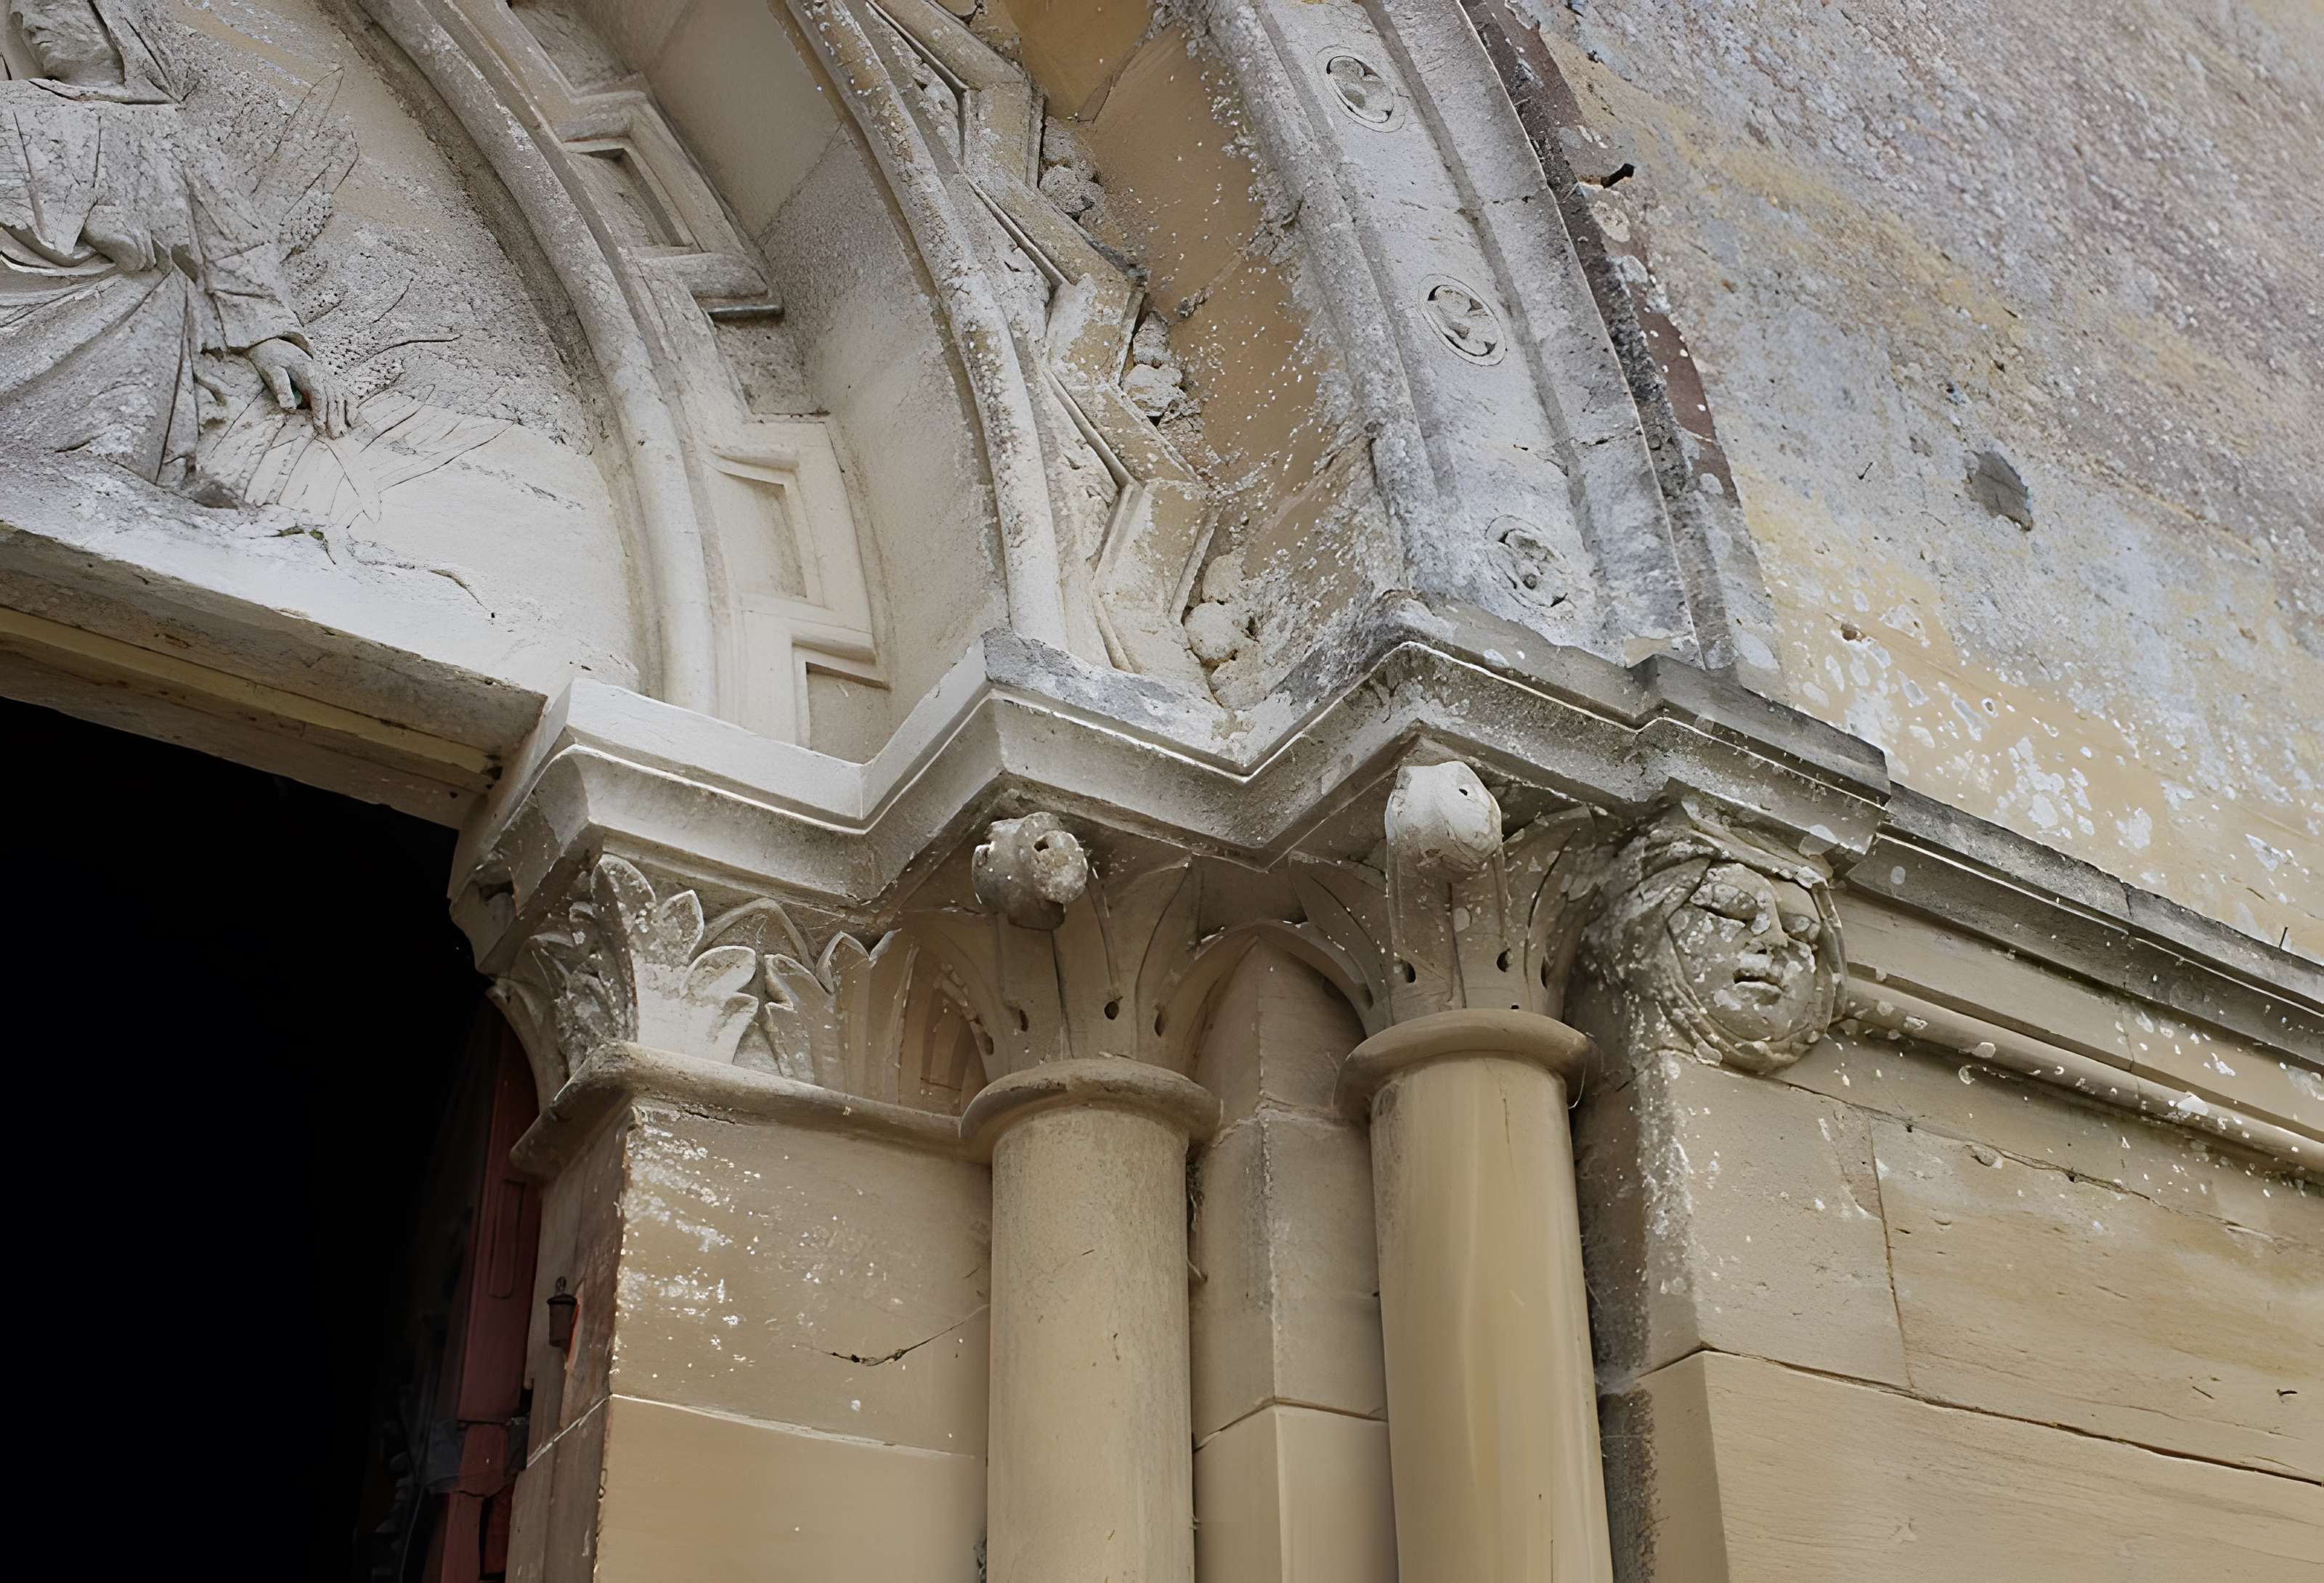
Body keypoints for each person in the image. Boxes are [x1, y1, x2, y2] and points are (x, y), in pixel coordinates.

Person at [0, 0, 345, 497]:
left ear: (114, 20)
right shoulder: (14, 108)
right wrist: (79, 220)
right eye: (21, 18)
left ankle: (112, 474)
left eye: (51, 6)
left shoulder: (169, 131)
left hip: (132, 310)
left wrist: (270, 339)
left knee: (162, 285)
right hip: (18, 290)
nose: (30, 25)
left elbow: (230, 243)